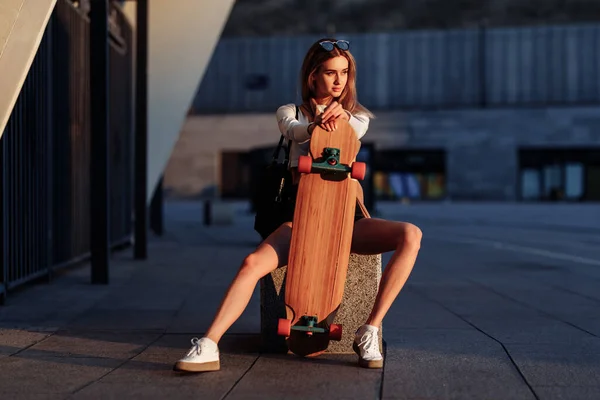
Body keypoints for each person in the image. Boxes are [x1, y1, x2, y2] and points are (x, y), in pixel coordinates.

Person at [173, 38, 422, 372]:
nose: (339, 81)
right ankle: (209, 344)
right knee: (251, 263)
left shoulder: (358, 117)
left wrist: (341, 117)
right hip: (299, 222)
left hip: (346, 222)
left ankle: (370, 330)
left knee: (411, 234)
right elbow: (295, 132)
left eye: (345, 73)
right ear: (312, 76)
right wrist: (315, 125)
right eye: (331, 73)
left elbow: (351, 131)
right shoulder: (289, 113)